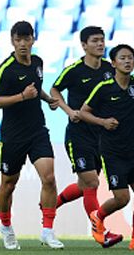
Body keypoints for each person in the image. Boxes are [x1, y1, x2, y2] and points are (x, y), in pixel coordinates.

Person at [79, 45, 134, 251]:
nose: (128, 61)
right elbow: (83, 112)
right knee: (122, 199)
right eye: (123, 58)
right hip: (112, 152)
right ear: (114, 63)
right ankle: (97, 216)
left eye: (131, 58)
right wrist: (102, 122)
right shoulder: (104, 88)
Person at [0, 21, 63, 249]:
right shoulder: (5, 69)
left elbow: (35, 87)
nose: (22, 44)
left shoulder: (38, 62)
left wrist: (46, 98)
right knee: (8, 184)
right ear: (12, 41)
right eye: (18, 39)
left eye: (26, 39)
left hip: (37, 130)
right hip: (13, 136)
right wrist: (22, 96)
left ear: (33, 39)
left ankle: (48, 231)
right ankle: (6, 227)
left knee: (49, 177)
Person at [50, 26, 122, 247]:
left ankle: (50, 204)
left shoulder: (111, 69)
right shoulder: (74, 70)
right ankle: (100, 231)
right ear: (84, 45)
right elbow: (54, 91)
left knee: (85, 186)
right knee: (91, 182)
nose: (100, 44)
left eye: (102, 40)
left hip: (101, 136)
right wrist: (69, 111)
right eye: (95, 41)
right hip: (78, 136)